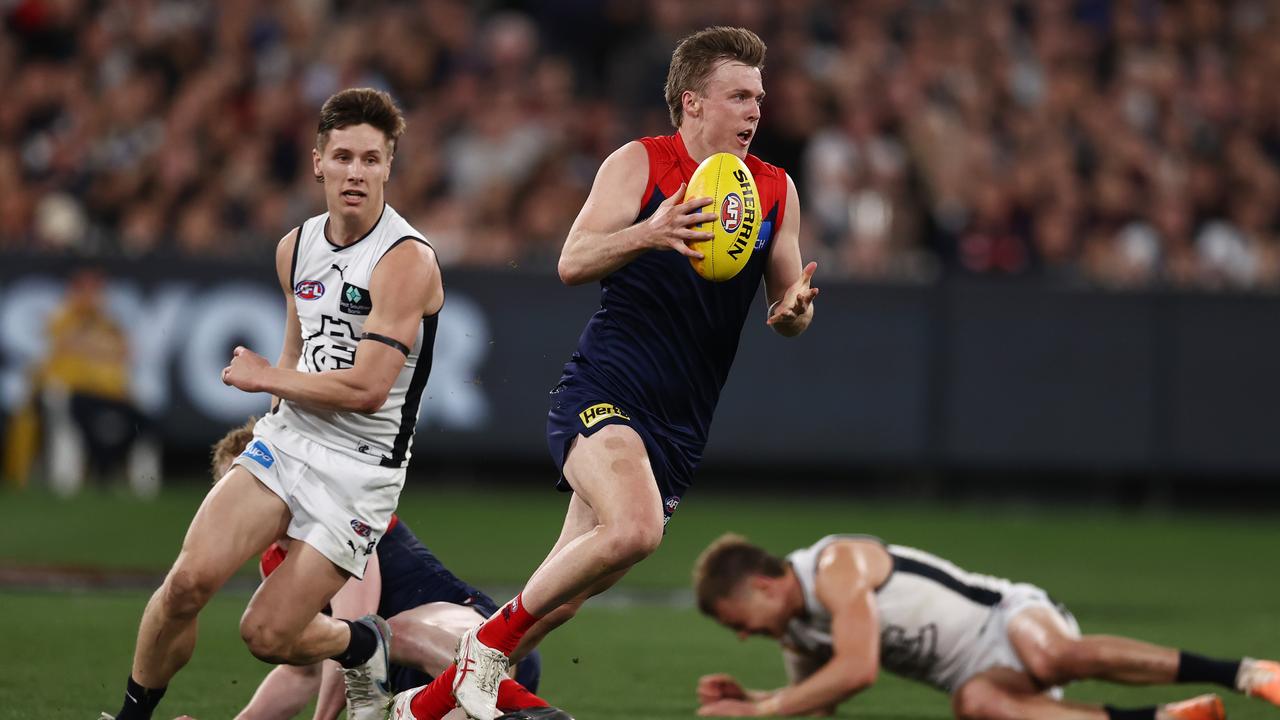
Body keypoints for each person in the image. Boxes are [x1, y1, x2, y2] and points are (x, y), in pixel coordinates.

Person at [389, 26, 819, 720]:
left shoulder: (773, 190)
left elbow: (785, 307)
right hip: (605, 390)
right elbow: (572, 259)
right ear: (692, 102)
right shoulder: (640, 164)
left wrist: (795, 310)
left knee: (560, 600)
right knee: (637, 529)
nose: (754, 111)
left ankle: (415, 706)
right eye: (739, 96)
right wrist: (652, 230)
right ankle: (477, 655)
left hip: (680, 425)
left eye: (759, 98)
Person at [103, 87, 444, 720]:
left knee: (266, 636)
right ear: (317, 161)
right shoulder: (295, 247)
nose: (356, 173)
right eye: (343, 156)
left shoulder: (406, 260)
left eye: (371, 159)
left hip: (361, 468)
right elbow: (299, 354)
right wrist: (272, 406)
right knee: (185, 584)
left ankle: (362, 641)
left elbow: (369, 389)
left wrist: (265, 381)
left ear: (389, 166)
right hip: (288, 442)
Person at [690, 532, 1280, 719]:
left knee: (1051, 657)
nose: (744, 636)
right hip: (986, 673)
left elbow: (857, 670)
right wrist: (759, 696)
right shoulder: (795, 629)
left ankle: (1246, 672)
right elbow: (820, 701)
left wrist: (762, 711)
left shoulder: (833, 565)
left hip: (1011, 617)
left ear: (762, 586)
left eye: (739, 622)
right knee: (975, 703)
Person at [197, 419, 553, 720]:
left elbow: (357, 634)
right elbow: (301, 673)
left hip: (473, 638)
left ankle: (519, 703)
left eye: (252, 484)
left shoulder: (337, 520)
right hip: (420, 680)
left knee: (386, 631)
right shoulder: (273, 560)